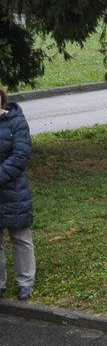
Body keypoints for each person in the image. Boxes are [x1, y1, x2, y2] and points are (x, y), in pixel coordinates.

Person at [0, 85, 35, 300]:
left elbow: (20, 156)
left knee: (20, 236)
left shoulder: (16, 121)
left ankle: (25, 282)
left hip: (13, 190)